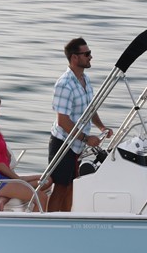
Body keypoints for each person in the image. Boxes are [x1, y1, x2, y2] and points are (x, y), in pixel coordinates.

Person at [48, 37, 112, 212]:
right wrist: (86, 138)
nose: (90, 57)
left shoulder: (85, 80)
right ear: (74, 57)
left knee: (72, 186)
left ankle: (65, 221)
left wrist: (101, 127)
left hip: (76, 146)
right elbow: (63, 122)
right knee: (61, 187)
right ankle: (51, 225)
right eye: (87, 54)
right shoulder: (64, 84)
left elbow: (89, 109)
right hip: (63, 143)